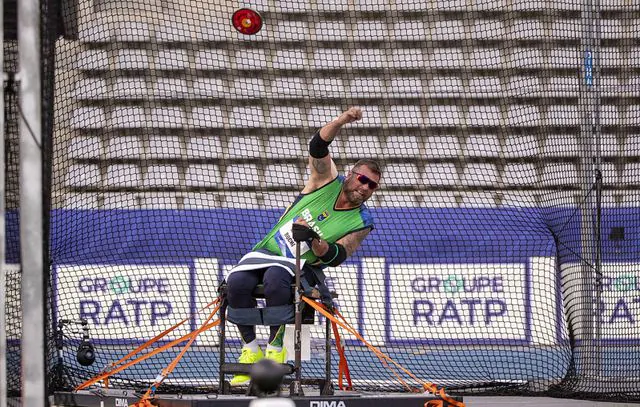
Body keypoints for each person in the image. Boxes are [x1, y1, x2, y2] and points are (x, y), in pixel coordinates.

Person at [225, 106, 381, 385]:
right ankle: (249, 351)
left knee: (275, 281)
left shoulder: (362, 221)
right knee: (235, 282)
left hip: (303, 265)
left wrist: (312, 238)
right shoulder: (324, 181)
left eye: (373, 186)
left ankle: (274, 351)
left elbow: (337, 255)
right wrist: (343, 119)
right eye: (364, 179)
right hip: (267, 250)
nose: (366, 188)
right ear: (350, 175)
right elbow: (318, 145)